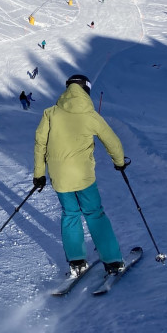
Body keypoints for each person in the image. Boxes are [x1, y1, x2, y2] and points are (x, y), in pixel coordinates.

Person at [32, 73, 128, 279]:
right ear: (86, 91)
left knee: (70, 214)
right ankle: (112, 261)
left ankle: (76, 260)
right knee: (94, 214)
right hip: (84, 176)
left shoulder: (51, 113)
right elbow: (112, 141)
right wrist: (119, 162)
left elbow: (40, 144)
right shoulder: (90, 114)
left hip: (60, 177)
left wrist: (39, 174)